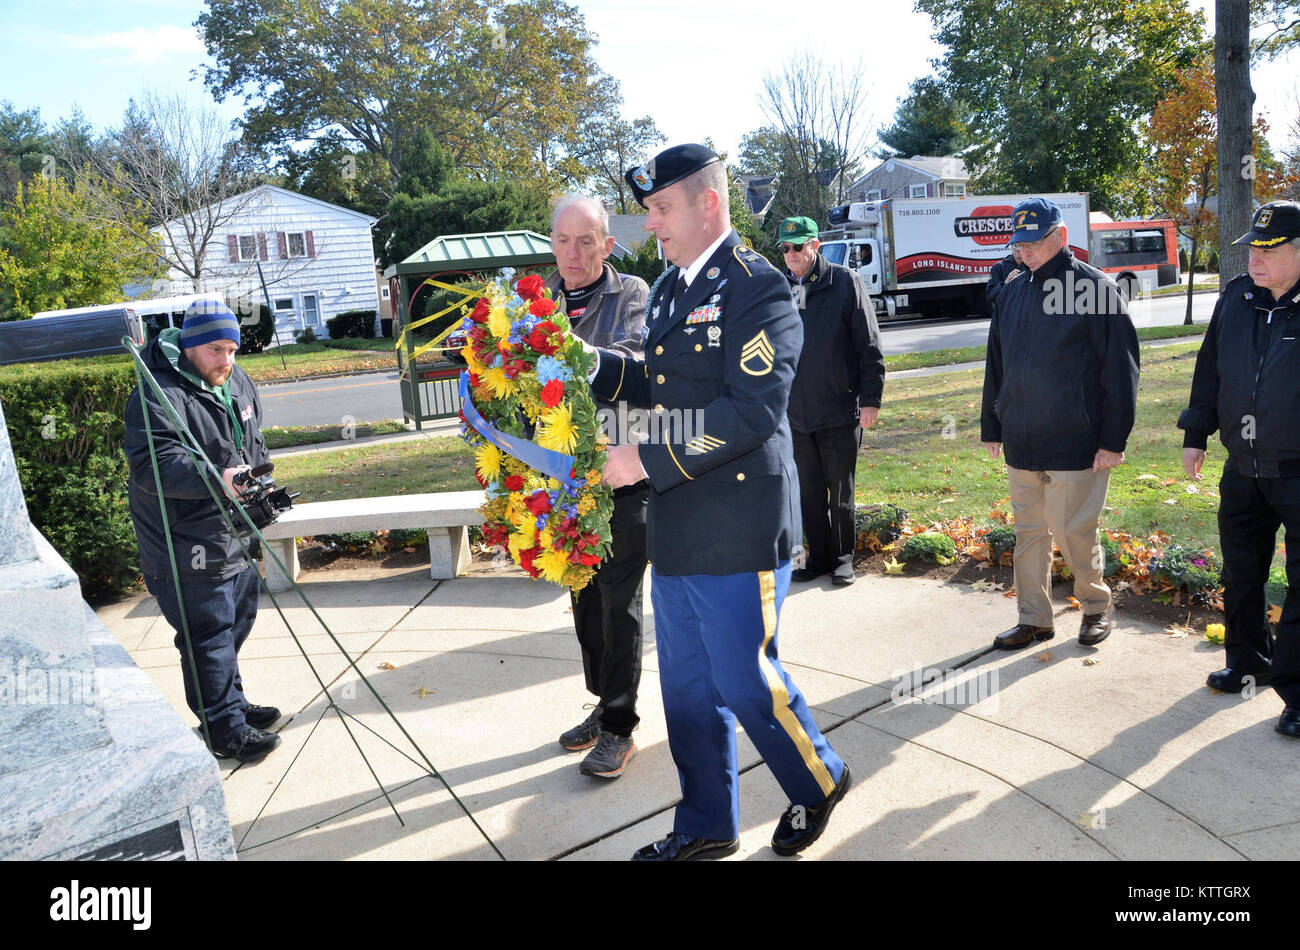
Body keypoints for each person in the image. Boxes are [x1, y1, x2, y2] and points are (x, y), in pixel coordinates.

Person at [593, 144, 850, 860]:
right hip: (677, 525)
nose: (651, 224)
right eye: (648, 211)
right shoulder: (674, 288)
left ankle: (820, 777)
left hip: (739, 525)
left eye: (660, 208)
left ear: (708, 203)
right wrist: (594, 366)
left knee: (746, 681)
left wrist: (641, 458)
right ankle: (706, 822)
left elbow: (751, 412)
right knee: (686, 691)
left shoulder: (756, 287)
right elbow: (659, 379)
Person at [124, 300, 281, 763]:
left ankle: (231, 704)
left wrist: (258, 484)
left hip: (234, 531)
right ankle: (223, 731)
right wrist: (219, 478)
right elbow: (155, 467)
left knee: (236, 622)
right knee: (207, 637)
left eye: (232, 349)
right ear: (190, 345)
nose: (227, 360)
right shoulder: (157, 392)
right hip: (183, 543)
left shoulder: (235, 379)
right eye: (216, 349)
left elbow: (253, 439)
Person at [980, 197, 1139, 651]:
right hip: (1022, 438)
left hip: (1078, 439)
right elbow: (997, 364)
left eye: (1033, 243)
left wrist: (1113, 439)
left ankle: (1095, 607)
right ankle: (1034, 618)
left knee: (1073, 531)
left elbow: (1121, 369)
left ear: (1061, 237)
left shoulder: (1095, 289)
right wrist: (993, 423)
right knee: (1029, 533)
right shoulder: (1011, 291)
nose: (1023, 252)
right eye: (1018, 244)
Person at [1178, 200, 1300, 739]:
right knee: (1242, 571)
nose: (1256, 257)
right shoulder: (1236, 297)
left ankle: (1297, 694)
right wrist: (1195, 433)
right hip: (1243, 466)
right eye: (1252, 247)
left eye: (1269, 250)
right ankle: (1249, 660)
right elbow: (1209, 368)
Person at [545, 195, 650, 778]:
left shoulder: (631, 293)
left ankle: (618, 726)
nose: (575, 253)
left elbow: (636, 363)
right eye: (563, 240)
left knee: (619, 606)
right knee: (584, 600)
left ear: (607, 245)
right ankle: (602, 703)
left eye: (587, 241)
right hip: (565, 480)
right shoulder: (537, 304)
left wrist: (571, 354)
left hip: (623, 474)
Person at [778, 215, 885, 586]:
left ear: (815, 245)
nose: (790, 255)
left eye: (797, 247)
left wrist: (870, 399)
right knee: (807, 493)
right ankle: (819, 557)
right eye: (785, 248)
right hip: (796, 414)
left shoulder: (844, 281)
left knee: (840, 491)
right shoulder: (783, 289)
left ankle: (842, 559)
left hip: (840, 409)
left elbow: (868, 344)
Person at [985, 243, 1024, 314]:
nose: (1018, 249)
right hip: (1007, 315)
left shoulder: (1032, 266)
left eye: (1021, 245)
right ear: (1011, 248)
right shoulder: (999, 267)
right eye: (1015, 245)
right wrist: (1005, 283)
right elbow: (991, 296)